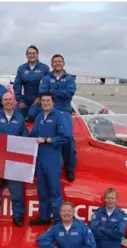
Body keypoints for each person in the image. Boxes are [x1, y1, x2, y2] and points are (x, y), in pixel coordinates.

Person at [0, 92, 29, 227]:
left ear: (14, 101)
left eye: (10, 99)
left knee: (17, 191)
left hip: (14, 161)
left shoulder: (20, 118)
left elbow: (25, 135)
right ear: (2, 102)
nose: (8, 102)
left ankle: (18, 216)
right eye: (5, 100)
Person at [29, 92, 68, 225]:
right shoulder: (39, 116)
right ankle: (44, 217)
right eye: (43, 101)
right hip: (39, 158)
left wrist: (47, 140)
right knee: (42, 189)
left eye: (48, 101)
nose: (45, 103)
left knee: (54, 190)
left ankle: (58, 220)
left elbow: (65, 137)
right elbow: (33, 134)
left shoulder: (59, 117)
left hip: (52, 158)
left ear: (53, 102)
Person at [38, 54, 77, 182]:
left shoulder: (70, 79)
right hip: (48, 109)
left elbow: (69, 94)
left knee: (68, 138)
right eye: (55, 62)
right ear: (52, 64)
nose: (57, 63)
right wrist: (58, 92)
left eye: (59, 61)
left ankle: (70, 169)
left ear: (63, 63)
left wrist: (52, 91)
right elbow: (43, 92)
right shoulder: (46, 78)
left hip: (64, 111)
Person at [13, 45, 51, 121]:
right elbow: (17, 85)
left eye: (34, 53)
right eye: (30, 53)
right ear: (26, 55)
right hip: (25, 98)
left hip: (39, 99)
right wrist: (20, 100)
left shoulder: (44, 68)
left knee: (31, 115)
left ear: (37, 54)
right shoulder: (21, 68)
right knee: (16, 115)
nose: (32, 55)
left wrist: (40, 97)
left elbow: (47, 85)